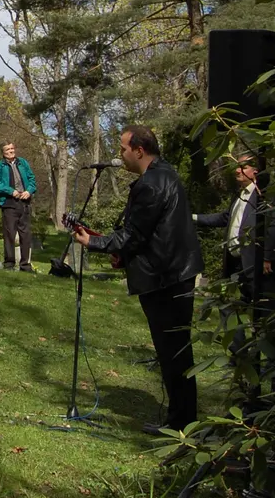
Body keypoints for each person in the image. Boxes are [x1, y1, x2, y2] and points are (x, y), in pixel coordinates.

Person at [72, 125, 204, 433]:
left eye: (122, 149)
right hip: (176, 273)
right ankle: (182, 420)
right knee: (176, 352)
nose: (120, 155)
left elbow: (134, 236)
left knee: (173, 353)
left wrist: (94, 243)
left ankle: (182, 425)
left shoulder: (151, 184)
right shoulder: (166, 174)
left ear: (139, 151)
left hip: (165, 278)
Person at [195, 152, 275, 389]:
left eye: (242, 167)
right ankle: (240, 357)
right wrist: (192, 217)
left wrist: (267, 257)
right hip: (237, 266)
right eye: (237, 167)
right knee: (229, 309)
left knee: (267, 317)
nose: (237, 171)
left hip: (260, 267)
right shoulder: (240, 196)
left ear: (256, 170)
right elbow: (225, 219)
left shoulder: (266, 195)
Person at [0, 141, 38, 272]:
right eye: (8, 149)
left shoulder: (22, 163)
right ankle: (9, 263)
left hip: (24, 203)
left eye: (12, 148)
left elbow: (32, 179)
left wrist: (29, 191)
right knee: (9, 234)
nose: (11, 151)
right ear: (3, 152)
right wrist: (11, 191)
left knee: (26, 234)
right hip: (9, 203)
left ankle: (25, 264)